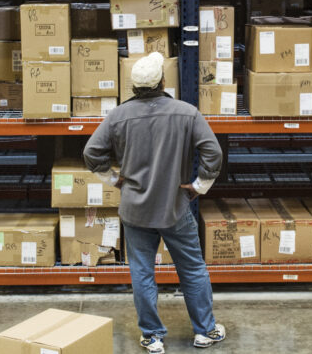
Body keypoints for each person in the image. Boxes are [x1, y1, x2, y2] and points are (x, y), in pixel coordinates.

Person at [83, 52, 227, 353]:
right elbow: (213, 153)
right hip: (174, 207)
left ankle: (152, 336)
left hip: (135, 210)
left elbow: (91, 153)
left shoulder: (118, 116)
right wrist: (200, 186)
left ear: (133, 86)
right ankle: (205, 331)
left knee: (142, 272)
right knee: (192, 269)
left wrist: (114, 179)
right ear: (163, 81)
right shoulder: (187, 113)